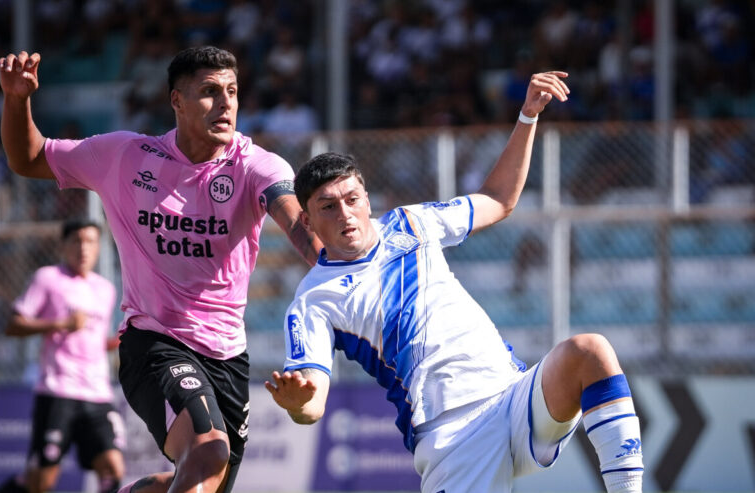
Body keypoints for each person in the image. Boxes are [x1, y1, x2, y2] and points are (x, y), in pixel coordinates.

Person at [266, 72, 644, 493]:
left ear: (367, 198)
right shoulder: (313, 298)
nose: (345, 214)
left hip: (513, 395)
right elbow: (313, 399)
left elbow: (499, 200)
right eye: (328, 207)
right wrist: (300, 405)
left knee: (589, 351)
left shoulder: (413, 222)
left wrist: (527, 117)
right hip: (452, 434)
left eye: (352, 200)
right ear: (307, 219)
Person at [0, 46, 321, 493]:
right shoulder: (125, 156)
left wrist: (333, 262)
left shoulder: (256, 165)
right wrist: (17, 100)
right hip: (154, 344)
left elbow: (294, 219)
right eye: (209, 92)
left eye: (232, 91)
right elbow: (26, 158)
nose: (226, 103)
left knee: (205, 479)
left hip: (228, 356)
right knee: (209, 451)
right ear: (176, 101)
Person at [0, 219, 125, 493]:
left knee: (112, 469)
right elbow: (13, 325)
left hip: (97, 394)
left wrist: (120, 343)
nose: (83, 248)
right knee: (40, 482)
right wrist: (61, 323)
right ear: (63, 245)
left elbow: (96, 341)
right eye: (76, 240)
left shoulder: (105, 289)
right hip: (58, 392)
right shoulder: (47, 278)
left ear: (99, 247)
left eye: (90, 241)